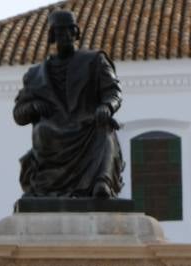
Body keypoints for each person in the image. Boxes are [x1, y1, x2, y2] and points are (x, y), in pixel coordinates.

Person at [13, 10, 124, 199]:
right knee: (42, 131)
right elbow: (18, 114)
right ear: (52, 36)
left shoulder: (95, 61)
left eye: (68, 31)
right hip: (54, 133)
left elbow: (113, 92)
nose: (64, 36)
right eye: (59, 32)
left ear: (75, 34)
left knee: (104, 131)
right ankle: (49, 187)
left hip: (87, 125)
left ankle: (102, 183)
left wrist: (107, 106)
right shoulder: (35, 75)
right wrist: (33, 107)